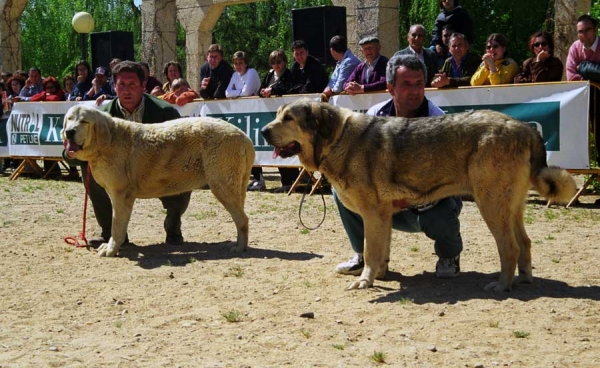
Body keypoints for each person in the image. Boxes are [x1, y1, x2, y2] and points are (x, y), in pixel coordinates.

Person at [335, 54, 463, 279]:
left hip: (427, 201)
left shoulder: (438, 120)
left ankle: (449, 255)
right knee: (342, 191)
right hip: (387, 203)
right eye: (407, 85)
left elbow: (446, 176)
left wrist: (409, 195)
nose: (415, 91)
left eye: (419, 84)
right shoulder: (374, 116)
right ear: (390, 88)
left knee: (443, 212)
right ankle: (365, 257)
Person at [63, 61, 189, 246]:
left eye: (132, 85)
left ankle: (173, 229)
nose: (126, 90)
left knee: (182, 171)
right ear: (114, 86)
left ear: (143, 85)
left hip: (157, 170)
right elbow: (69, 157)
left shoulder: (165, 111)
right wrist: (71, 153)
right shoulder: (101, 115)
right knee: (89, 169)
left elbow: (182, 148)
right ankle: (110, 234)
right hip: (115, 174)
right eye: (121, 85)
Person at [250, 50, 294, 191]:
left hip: (284, 119)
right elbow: (261, 89)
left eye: (279, 62)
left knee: (284, 145)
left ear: (285, 62)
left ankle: (288, 181)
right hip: (270, 116)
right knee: (275, 146)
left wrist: (273, 90)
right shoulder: (269, 74)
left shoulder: (288, 74)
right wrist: (263, 92)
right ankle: (282, 181)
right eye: (273, 62)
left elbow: (288, 89)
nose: (276, 65)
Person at [567, 14, 600, 82]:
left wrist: (583, 69)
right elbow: (571, 77)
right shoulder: (575, 47)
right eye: (580, 31)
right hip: (583, 91)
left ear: (595, 29)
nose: (584, 35)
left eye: (587, 30)